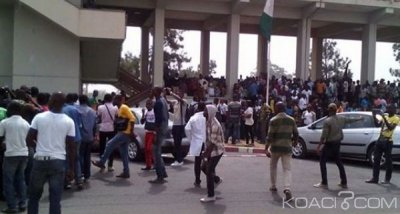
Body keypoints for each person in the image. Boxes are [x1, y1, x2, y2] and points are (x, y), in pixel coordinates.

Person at [26, 92, 76, 214]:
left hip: (40, 161)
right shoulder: (69, 121)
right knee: (55, 198)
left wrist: (39, 146)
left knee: (33, 197)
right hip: (58, 162)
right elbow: (71, 148)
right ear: (64, 104)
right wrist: (71, 169)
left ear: (51, 102)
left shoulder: (39, 117)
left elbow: (28, 139)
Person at [314, 103, 358, 189]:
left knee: (322, 161)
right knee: (339, 162)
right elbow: (350, 120)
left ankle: (324, 182)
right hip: (337, 142)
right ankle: (344, 182)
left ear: (329, 110)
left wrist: (319, 146)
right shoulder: (341, 118)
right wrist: (359, 118)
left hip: (330, 143)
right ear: (336, 110)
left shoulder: (328, 121)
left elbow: (324, 136)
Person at [92, 95, 136, 179]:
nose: (113, 101)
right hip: (123, 132)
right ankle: (126, 172)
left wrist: (131, 131)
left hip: (125, 133)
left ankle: (102, 162)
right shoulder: (118, 109)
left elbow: (132, 118)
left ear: (119, 100)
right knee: (124, 154)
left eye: (115, 99)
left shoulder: (124, 107)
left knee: (109, 144)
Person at [0, 102, 30, 213]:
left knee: (8, 181)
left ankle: (12, 206)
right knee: (20, 179)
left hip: (10, 154)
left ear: (10, 110)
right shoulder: (26, 123)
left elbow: (0, 137)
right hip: (24, 154)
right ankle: (23, 203)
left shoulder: (5, 122)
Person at [266, 102, 298, 202]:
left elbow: (270, 136)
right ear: (284, 109)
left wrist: (266, 148)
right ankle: (287, 188)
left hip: (275, 148)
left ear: (277, 109)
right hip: (287, 148)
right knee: (287, 169)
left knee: (273, 166)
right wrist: (295, 143)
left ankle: (273, 185)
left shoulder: (273, 120)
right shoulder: (291, 120)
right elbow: (296, 133)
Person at [366, 105, 400, 184]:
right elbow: (378, 124)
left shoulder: (396, 118)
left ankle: (387, 179)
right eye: (388, 108)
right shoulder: (385, 116)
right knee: (376, 159)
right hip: (380, 140)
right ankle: (375, 178)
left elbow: (390, 128)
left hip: (388, 141)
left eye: (391, 109)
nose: (389, 110)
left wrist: (385, 118)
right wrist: (374, 116)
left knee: (388, 161)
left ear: (394, 110)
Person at [200, 105, 225, 203]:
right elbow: (208, 140)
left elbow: (212, 143)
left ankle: (211, 195)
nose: (204, 112)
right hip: (211, 149)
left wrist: (205, 155)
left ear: (210, 112)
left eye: (205, 110)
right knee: (203, 168)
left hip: (217, 151)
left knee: (209, 171)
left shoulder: (215, 125)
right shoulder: (208, 121)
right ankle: (217, 179)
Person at [62, 93, 83, 190]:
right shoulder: (76, 110)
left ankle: (67, 181)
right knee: (76, 158)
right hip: (77, 137)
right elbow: (79, 125)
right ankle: (79, 180)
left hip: (65, 137)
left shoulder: (62, 110)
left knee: (66, 159)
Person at [148, 87, 169, 184]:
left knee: (156, 152)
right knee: (158, 152)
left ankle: (159, 176)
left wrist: (155, 133)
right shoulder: (163, 100)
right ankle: (163, 172)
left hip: (159, 129)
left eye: (153, 90)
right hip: (164, 127)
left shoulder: (158, 103)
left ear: (156, 92)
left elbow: (158, 119)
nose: (151, 92)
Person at [185, 102, 206, 187]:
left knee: (197, 162)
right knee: (209, 162)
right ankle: (213, 178)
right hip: (206, 142)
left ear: (197, 109)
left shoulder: (193, 118)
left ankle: (197, 180)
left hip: (197, 142)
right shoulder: (206, 117)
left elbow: (187, 129)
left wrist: (191, 139)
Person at [165, 88, 187, 167]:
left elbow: (179, 99)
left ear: (182, 94)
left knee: (178, 142)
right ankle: (178, 159)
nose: (178, 94)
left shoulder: (184, 102)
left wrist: (171, 93)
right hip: (175, 124)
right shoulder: (175, 102)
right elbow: (167, 101)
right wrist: (164, 94)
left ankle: (179, 160)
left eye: (179, 93)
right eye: (177, 93)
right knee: (176, 143)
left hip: (180, 125)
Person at [77, 95, 96, 183]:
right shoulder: (92, 111)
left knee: (80, 155)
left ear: (79, 100)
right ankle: (87, 175)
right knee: (87, 156)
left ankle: (80, 173)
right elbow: (95, 125)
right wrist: (94, 135)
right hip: (90, 136)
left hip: (80, 136)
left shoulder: (76, 110)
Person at [96, 94, 118, 172]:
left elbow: (98, 117)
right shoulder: (115, 108)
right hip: (111, 129)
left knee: (102, 147)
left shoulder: (100, 107)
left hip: (103, 128)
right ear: (112, 99)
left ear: (104, 99)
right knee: (111, 147)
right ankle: (110, 165)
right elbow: (116, 117)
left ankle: (102, 165)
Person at [140, 99, 156, 171]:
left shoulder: (154, 112)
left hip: (153, 132)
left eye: (149, 104)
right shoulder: (146, 112)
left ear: (152, 105)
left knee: (150, 149)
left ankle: (155, 164)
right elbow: (142, 122)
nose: (148, 105)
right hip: (147, 132)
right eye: (147, 104)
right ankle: (148, 165)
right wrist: (143, 113)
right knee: (146, 149)